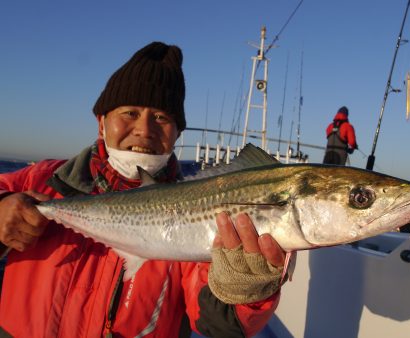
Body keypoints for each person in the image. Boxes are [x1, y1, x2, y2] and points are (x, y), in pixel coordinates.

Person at [0, 42, 288, 337]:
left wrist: (244, 291)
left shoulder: (203, 206)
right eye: (130, 113)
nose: (144, 130)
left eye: (162, 118)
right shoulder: (40, 180)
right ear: (102, 123)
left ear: (177, 134)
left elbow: (218, 325)